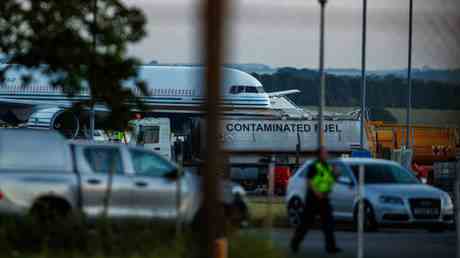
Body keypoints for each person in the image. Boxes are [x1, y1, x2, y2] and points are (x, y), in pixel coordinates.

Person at [290, 147, 342, 254]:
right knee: (305, 224)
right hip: (313, 200)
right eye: (324, 153)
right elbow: (310, 181)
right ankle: (295, 243)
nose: (326, 155)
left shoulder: (327, 166)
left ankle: (331, 247)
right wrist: (316, 192)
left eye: (326, 153)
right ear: (319, 155)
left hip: (324, 199)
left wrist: (336, 174)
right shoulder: (314, 166)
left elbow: (331, 179)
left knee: (329, 224)